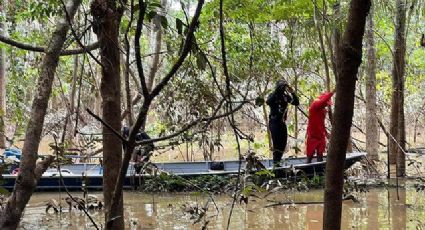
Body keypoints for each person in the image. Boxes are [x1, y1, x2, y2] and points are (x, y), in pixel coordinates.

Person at [267, 80, 299, 166]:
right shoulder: (273, 95)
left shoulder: (285, 96)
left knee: (283, 144)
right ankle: (276, 165)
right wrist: (276, 91)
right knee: (277, 145)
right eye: (281, 86)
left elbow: (296, 103)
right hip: (274, 122)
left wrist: (292, 93)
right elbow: (268, 102)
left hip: (282, 123)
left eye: (283, 86)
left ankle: (277, 163)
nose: (282, 88)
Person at [305, 91, 334, 163]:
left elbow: (321, 123)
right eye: (326, 104)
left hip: (321, 135)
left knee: (320, 155)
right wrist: (332, 92)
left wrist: (326, 133)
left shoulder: (323, 110)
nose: (326, 105)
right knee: (310, 155)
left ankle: (320, 171)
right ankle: (307, 170)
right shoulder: (315, 105)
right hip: (313, 134)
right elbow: (323, 101)